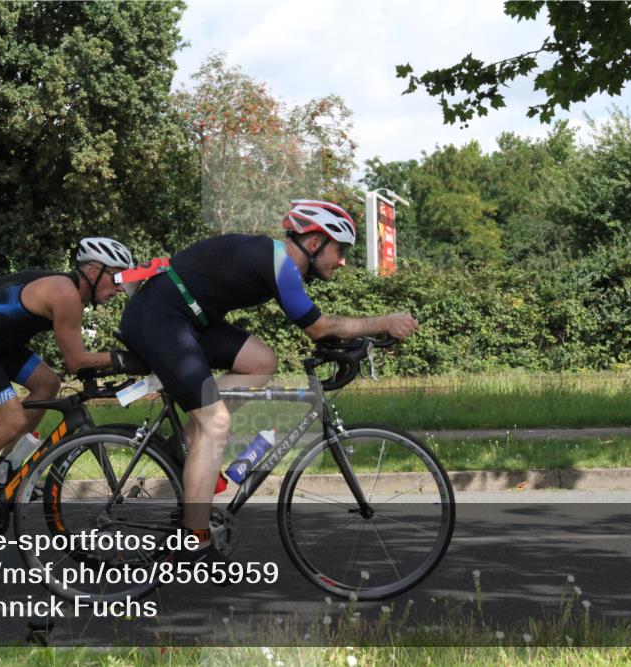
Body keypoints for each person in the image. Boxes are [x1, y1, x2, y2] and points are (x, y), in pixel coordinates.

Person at [119, 200, 420, 554]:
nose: (342, 261)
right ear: (313, 242)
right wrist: (383, 322)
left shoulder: (275, 261)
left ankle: (186, 448)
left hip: (187, 317)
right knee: (216, 423)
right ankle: (195, 539)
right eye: (340, 250)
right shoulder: (279, 263)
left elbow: (321, 329)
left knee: (261, 361)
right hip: (160, 318)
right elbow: (320, 328)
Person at [0, 238, 147, 533]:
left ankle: (4, 470)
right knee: (12, 420)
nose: (119, 288)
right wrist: (125, 360)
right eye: (116, 277)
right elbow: (76, 361)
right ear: (93, 271)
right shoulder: (65, 294)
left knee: (47, 383)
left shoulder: (69, 291)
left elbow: (73, 364)